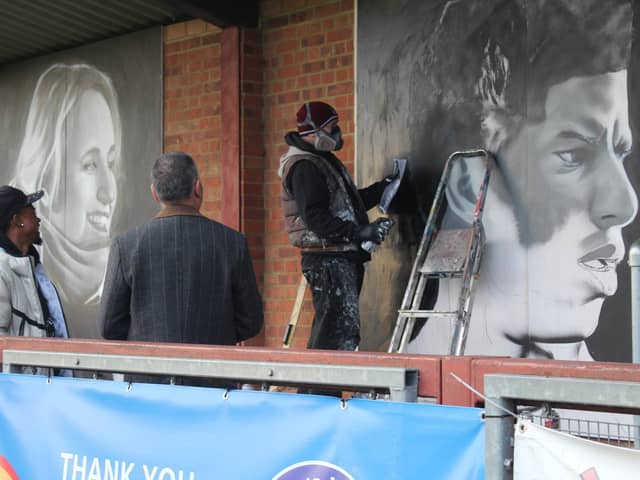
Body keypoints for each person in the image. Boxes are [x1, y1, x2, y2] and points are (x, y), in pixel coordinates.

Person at [399, 0, 637, 360]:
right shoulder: (417, 398)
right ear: (470, 188)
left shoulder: (618, 414)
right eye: (572, 156)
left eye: (621, 153)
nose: (626, 205)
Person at [98, 152, 263, 386]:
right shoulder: (232, 243)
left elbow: (109, 325)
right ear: (198, 188)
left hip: (148, 382)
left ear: (154, 192)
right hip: (213, 382)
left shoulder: (127, 245)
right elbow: (251, 321)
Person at [12, 63, 121, 339]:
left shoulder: (115, 280)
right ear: (44, 176)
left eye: (110, 162)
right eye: (90, 165)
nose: (108, 192)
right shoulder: (17, 272)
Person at [279, 101, 395, 353]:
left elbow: (347, 206)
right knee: (335, 337)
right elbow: (317, 219)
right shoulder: (305, 167)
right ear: (313, 132)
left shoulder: (323, 160)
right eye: (332, 127)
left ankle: (320, 390)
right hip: (328, 261)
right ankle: (317, 391)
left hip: (338, 258)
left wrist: (381, 189)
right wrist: (360, 232)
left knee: (341, 334)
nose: (337, 133)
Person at [0, 186, 70, 353]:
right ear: (17, 220)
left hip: (41, 378)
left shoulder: (33, 267)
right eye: (31, 211)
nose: (39, 219)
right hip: (18, 379)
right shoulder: (2, 270)